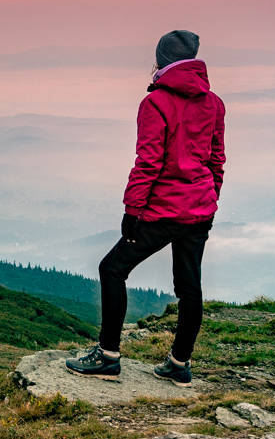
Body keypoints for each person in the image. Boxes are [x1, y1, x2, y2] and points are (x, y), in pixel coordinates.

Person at [66, 30, 226, 388]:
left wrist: (132, 209)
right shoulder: (214, 103)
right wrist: (209, 196)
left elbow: (148, 162)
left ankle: (108, 356)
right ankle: (179, 365)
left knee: (112, 268)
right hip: (200, 210)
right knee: (190, 288)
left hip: (163, 211)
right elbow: (217, 160)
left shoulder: (155, 103)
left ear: (162, 61)